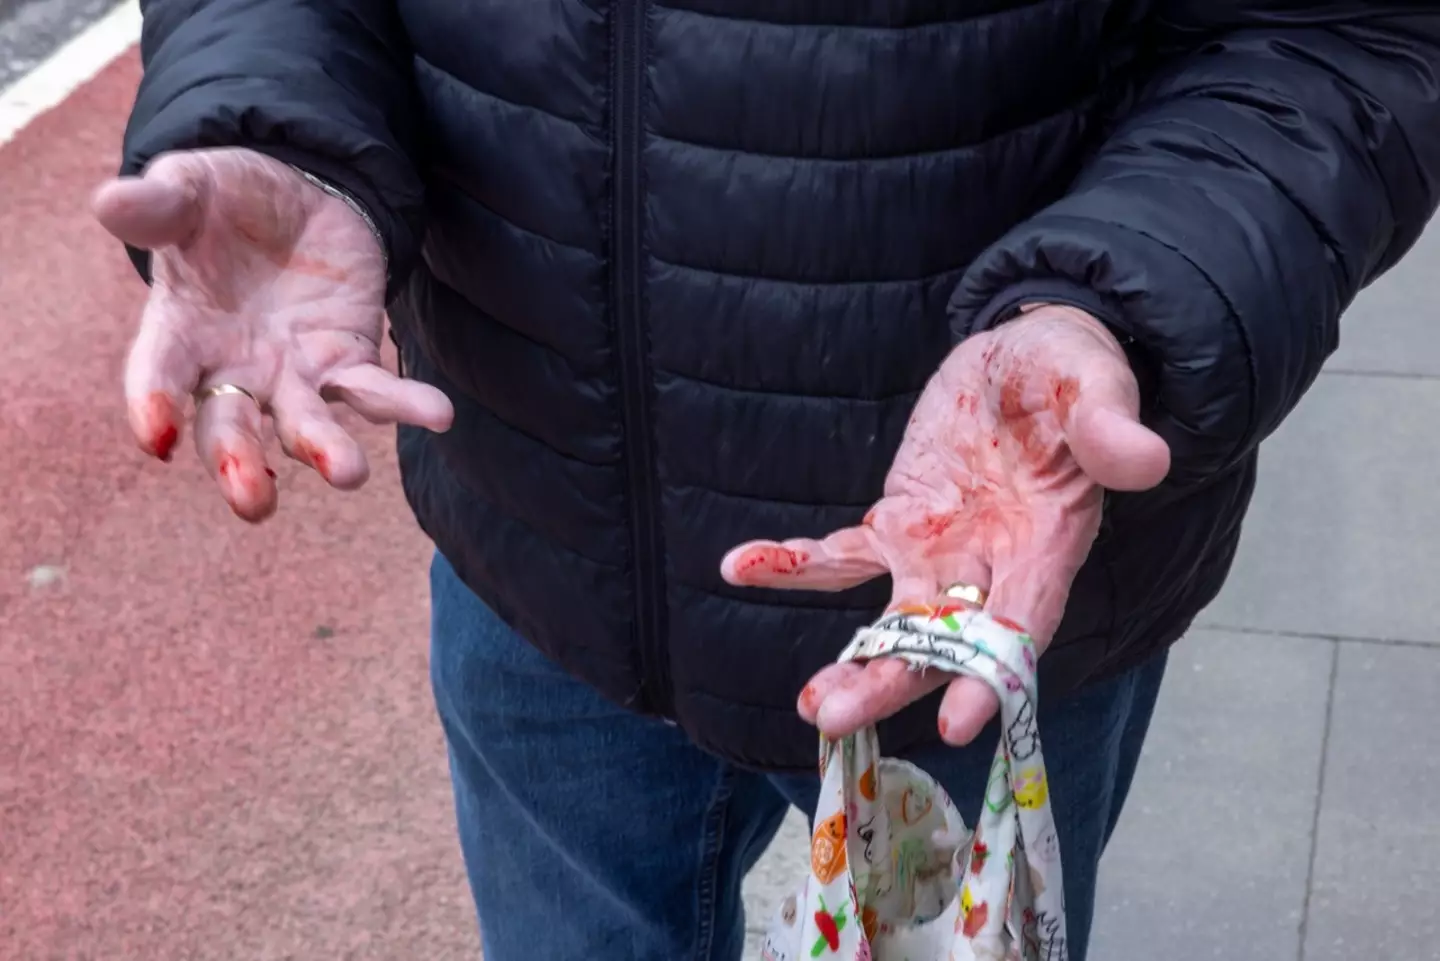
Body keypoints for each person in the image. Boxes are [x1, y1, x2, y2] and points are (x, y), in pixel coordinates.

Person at [94, 2, 1440, 959]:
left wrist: (1116, 306)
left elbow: (1335, 34)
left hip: (976, 582)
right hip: (539, 547)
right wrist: (276, 123)